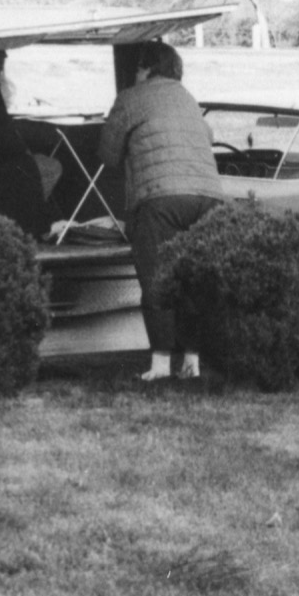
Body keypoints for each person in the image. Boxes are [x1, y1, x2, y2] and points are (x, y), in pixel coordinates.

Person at [97, 39, 226, 382]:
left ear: (146, 68)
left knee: (157, 276)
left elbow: (108, 153)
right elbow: (208, 136)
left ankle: (160, 364)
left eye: (138, 67)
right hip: (208, 196)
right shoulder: (186, 97)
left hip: (160, 197)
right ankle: (192, 360)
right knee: (194, 278)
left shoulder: (130, 97)